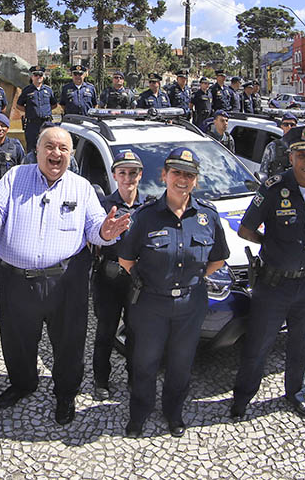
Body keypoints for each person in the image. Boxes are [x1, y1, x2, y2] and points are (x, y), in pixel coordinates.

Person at [0, 126, 130, 425]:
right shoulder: (15, 177)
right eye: (50, 147)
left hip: (66, 282)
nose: (56, 154)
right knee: (17, 341)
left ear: (70, 155)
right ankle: (23, 383)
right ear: (37, 152)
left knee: (69, 342)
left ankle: (66, 393)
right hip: (15, 280)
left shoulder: (81, 187)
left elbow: (95, 226)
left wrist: (104, 233)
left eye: (63, 149)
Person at [118, 146, 227, 437]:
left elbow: (218, 259)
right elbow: (126, 260)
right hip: (151, 304)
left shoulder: (208, 216)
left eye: (189, 174)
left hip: (190, 305)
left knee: (181, 365)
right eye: (176, 172)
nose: (183, 179)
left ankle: (173, 413)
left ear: (196, 180)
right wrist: (157, 283)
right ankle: (139, 413)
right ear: (164, 175)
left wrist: (191, 278)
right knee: (145, 363)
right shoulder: (145, 216)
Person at [230, 126, 305, 419]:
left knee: (301, 344)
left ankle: (295, 393)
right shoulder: (274, 188)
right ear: (291, 157)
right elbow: (246, 229)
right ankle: (242, 398)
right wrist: (272, 244)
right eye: (302, 155)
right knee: (259, 345)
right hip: (274, 285)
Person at [91, 150, 148, 402]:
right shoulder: (103, 206)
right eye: (122, 173)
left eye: (133, 173)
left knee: (136, 333)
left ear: (140, 175)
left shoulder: (150, 207)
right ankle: (101, 379)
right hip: (109, 279)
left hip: (137, 280)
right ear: (114, 175)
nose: (128, 178)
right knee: (105, 331)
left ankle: (135, 378)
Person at [16, 66, 57, 151]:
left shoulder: (48, 90)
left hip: (46, 123)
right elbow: (19, 105)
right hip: (32, 124)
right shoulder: (26, 90)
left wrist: (45, 111)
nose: (38, 77)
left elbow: (54, 105)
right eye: (36, 75)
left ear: (43, 77)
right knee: (32, 148)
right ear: (32, 76)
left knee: (48, 146)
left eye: (40, 75)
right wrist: (30, 111)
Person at [258, 113, 298, 182]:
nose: (289, 127)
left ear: (296, 126)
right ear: (282, 126)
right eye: (286, 124)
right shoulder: (273, 146)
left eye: (292, 125)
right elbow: (263, 172)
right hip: (277, 187)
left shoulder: (301, 147)